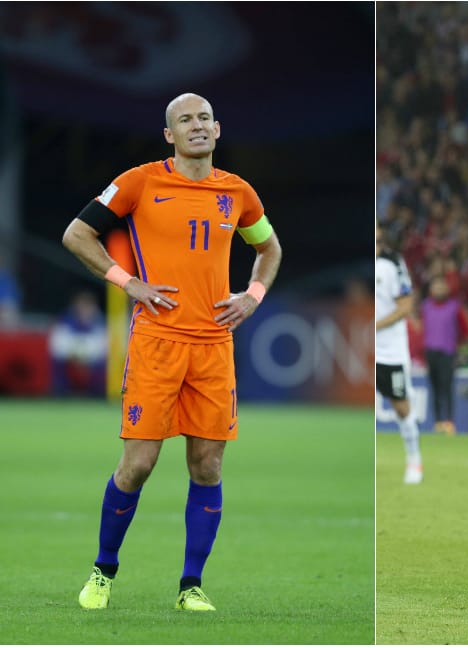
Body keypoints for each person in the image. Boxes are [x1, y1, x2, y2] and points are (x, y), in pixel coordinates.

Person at [62, 93, 282, 612]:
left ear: (218, 129)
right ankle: (103, 570)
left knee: (206, 465)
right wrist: (129, 282)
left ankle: (191, 586)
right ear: (170, 135)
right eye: (185, 120)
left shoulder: (238, 193)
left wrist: (252, 297)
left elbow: (269, 249)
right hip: (157, 344)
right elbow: (77, 234)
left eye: (204, 118)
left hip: (213, 346)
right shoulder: (140, 182)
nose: (196, 126)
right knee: (138, 464)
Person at [375, 220, 422, 485]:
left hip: (390, 351)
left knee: (401, 406)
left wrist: (375, 326)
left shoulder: (393, 264)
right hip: (368, 350)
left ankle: (414, 459)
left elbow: (406, 306)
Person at [422, 275, 468, 435]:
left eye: (442, 286)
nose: (439, 289)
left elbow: (465, 329)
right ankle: (437, 422)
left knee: (447, 388)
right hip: (430, 352)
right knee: (434, 389)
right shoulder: (426, 306)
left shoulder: (455, 307)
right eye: (436, 286)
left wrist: (459, 345)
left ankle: (449, 422)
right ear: (431, 290)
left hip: (447, 353)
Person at [49, 290, 108, 397]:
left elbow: (103, 347)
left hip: (92, 359)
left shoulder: (100, 322)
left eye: (88, 306)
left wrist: (86, 356)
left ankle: (98, 395)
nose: (85, 310)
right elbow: (57, 346)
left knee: (105, 363)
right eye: (82, 306)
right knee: (57, 361)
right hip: (70, 357)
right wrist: (74, 355)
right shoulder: (65, 321)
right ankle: (60, 393)